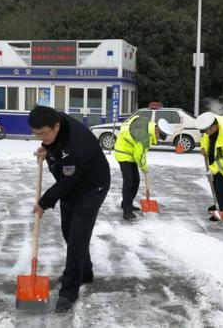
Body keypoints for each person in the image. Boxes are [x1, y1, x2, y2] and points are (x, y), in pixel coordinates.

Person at [28, 105, 110, 313]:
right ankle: (84, 272)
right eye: (37, 134)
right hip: (73, 184)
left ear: (56, 126)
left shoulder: (76, 145)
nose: (41, 138)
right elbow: (59, 156)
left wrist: (43, 203)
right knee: (69, 232)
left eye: (44, 134)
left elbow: (66, 182)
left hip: (92, 187)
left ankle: (69, 292)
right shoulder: (57, 123)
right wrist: (47, 150)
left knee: (77, 239)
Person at [113, 115, 172, 220]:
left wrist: (144, 167)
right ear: (157, 130)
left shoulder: (149, 127)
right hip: (123, 153)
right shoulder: (143, 137)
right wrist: (145, 169)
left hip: (130, 153)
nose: (160, 139)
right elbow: (138, 156)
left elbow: (140, 154)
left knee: (136, 180)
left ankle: (127, 203)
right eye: (161, 136)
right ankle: (127, 211)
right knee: (129, 182)